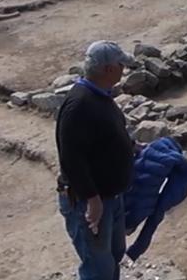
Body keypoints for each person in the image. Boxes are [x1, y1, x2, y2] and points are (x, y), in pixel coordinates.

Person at [55, 41, 137, 280]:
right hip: (89, 202)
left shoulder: (100, 96)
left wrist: (132, 147)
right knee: (97, 267)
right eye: (122, 65)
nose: (124, 70)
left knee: (112, 256)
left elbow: (108, 135)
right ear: (109, 70)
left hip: (110, 197)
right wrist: (92, 200)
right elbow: (71, 158)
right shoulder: (79, 105)